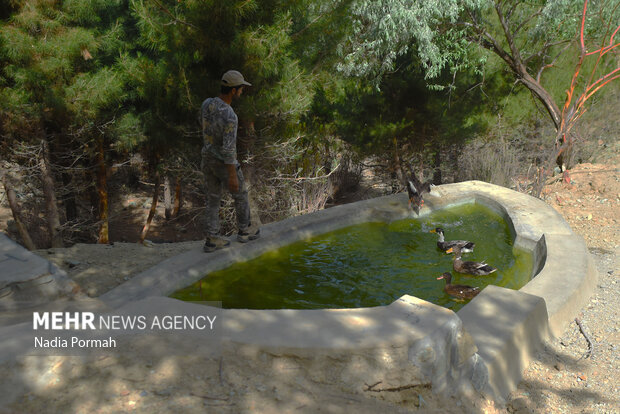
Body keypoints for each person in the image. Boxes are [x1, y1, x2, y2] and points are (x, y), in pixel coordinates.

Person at [200, 70, 260, 252]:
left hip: (206, 159)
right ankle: (245, 230)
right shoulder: (230, 115)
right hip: (223, 163)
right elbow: (228, 148)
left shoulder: (207, 104)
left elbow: (204, 129)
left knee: (212, 199)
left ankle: (212, 239)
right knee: (240, 194)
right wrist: (232, 175)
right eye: (241, 88)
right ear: (233, 91)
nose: (242, 91)